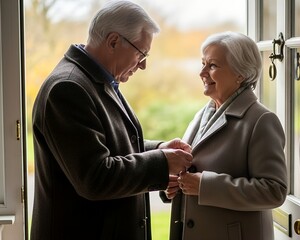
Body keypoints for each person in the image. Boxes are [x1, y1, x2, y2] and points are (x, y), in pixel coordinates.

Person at [30, 1, 193, 240]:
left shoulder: (95, 80)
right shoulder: (67, 88)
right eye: (141, 53)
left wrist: (158, 149)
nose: (144, 65)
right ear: (114, 41)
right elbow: (95, 177)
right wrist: (161, 162)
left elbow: (104, 143)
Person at [163, 32, 288, 240]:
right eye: (202, 63)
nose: (202, 72)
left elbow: (274, 191)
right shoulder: (202, 114)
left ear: (240, 74)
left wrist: (205, 186)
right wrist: (174, 185)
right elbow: (192, 173)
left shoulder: (262, 120)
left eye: (212, 65)